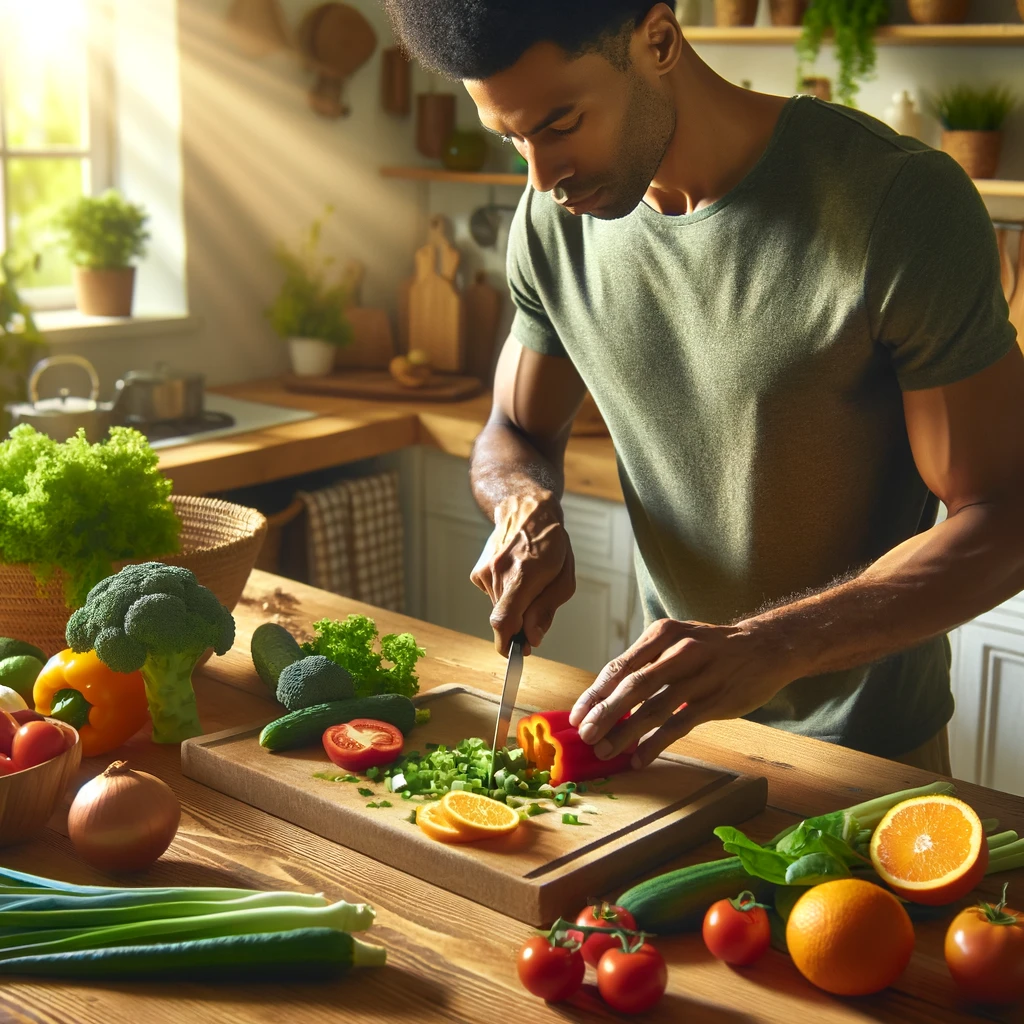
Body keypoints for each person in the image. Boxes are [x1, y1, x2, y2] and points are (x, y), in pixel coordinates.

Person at [383, 1, 1024, 775]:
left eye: (559, 123)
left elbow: (1003, 516)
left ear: (657, 40)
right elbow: (512, 433)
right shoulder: (553, 220)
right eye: (511, 137)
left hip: (869, 758)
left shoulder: (899, 203)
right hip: (672, 734)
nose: (540, 176)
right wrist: (522, 502)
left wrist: (771, 645)